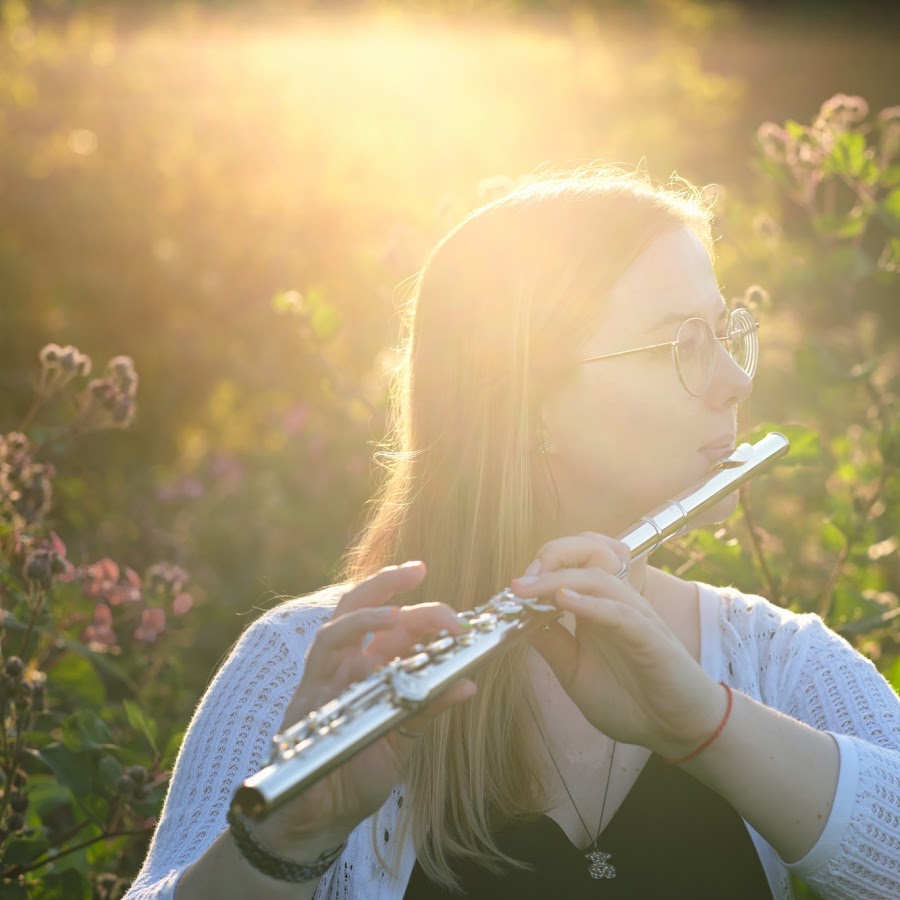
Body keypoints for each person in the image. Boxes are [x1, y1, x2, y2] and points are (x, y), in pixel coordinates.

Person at [126, 170, 900, 899]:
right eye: (682, 344)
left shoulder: (775, 662)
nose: (736, 378)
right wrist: (282, 846)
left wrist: (706, 725)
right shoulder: (308, 665)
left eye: (727, 332)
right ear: (527, 398)